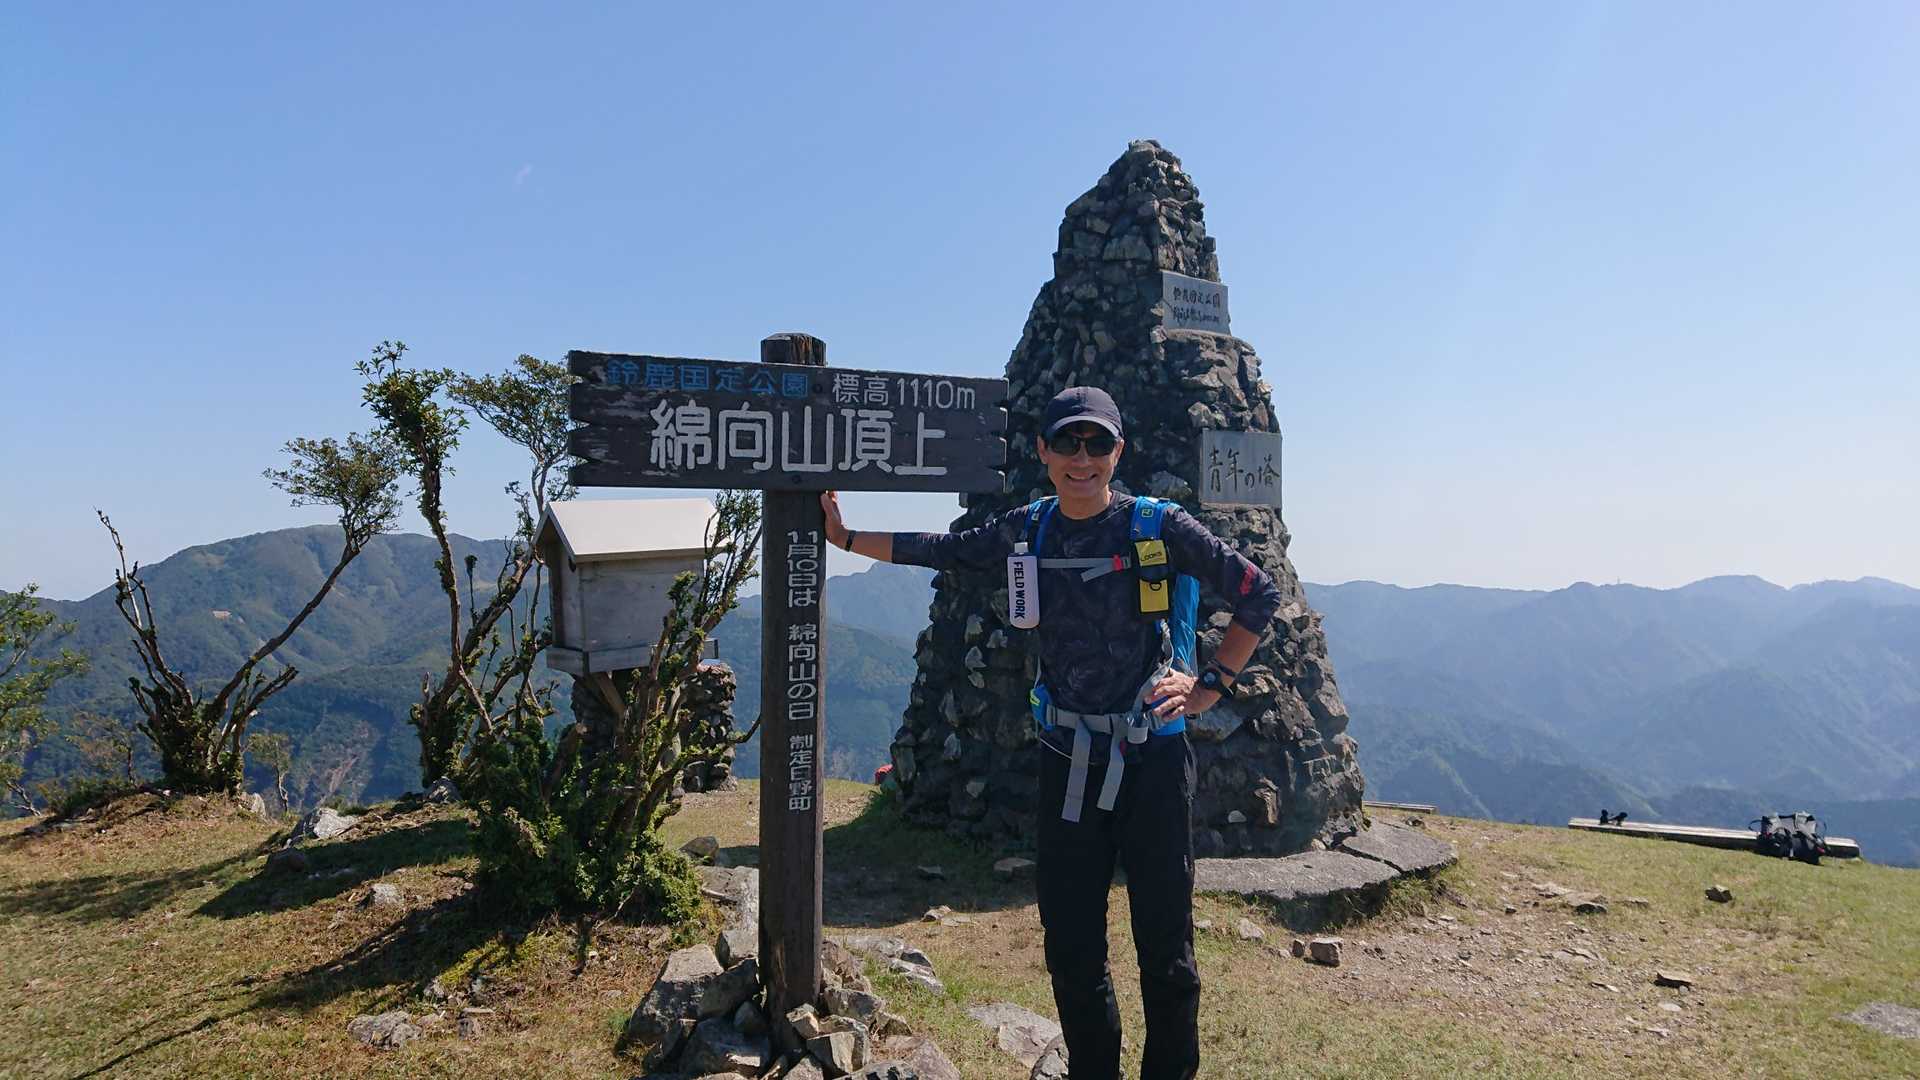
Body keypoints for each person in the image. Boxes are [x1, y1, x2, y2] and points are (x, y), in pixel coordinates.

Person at [820, 385, 1282, 1080]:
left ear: (1118, 451)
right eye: (1067, 441)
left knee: (1165, 948)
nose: (1081, 458)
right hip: (1067, 760)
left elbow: (1257, 593)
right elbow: (944, 549)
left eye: (1097, 443)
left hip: (1152, 762)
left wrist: (1210, 685)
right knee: (1071, 947)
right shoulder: (1029, 528)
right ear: (1042, 450)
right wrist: (847, 538)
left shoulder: (1160, 527)